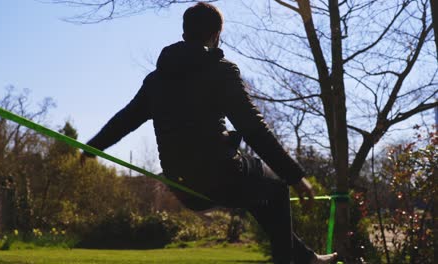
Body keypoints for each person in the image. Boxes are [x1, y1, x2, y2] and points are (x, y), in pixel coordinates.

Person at [81, 2, 337, 264]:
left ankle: (306, 257)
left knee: (258, 194)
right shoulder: (221, 71)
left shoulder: (156, 80)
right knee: (276, 187)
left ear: (184, 34)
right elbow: (253, 128)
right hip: (220, 178)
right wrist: (295, 176)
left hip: (183, 186)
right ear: (216, 35)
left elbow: (125, 120)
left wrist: (92, 147)